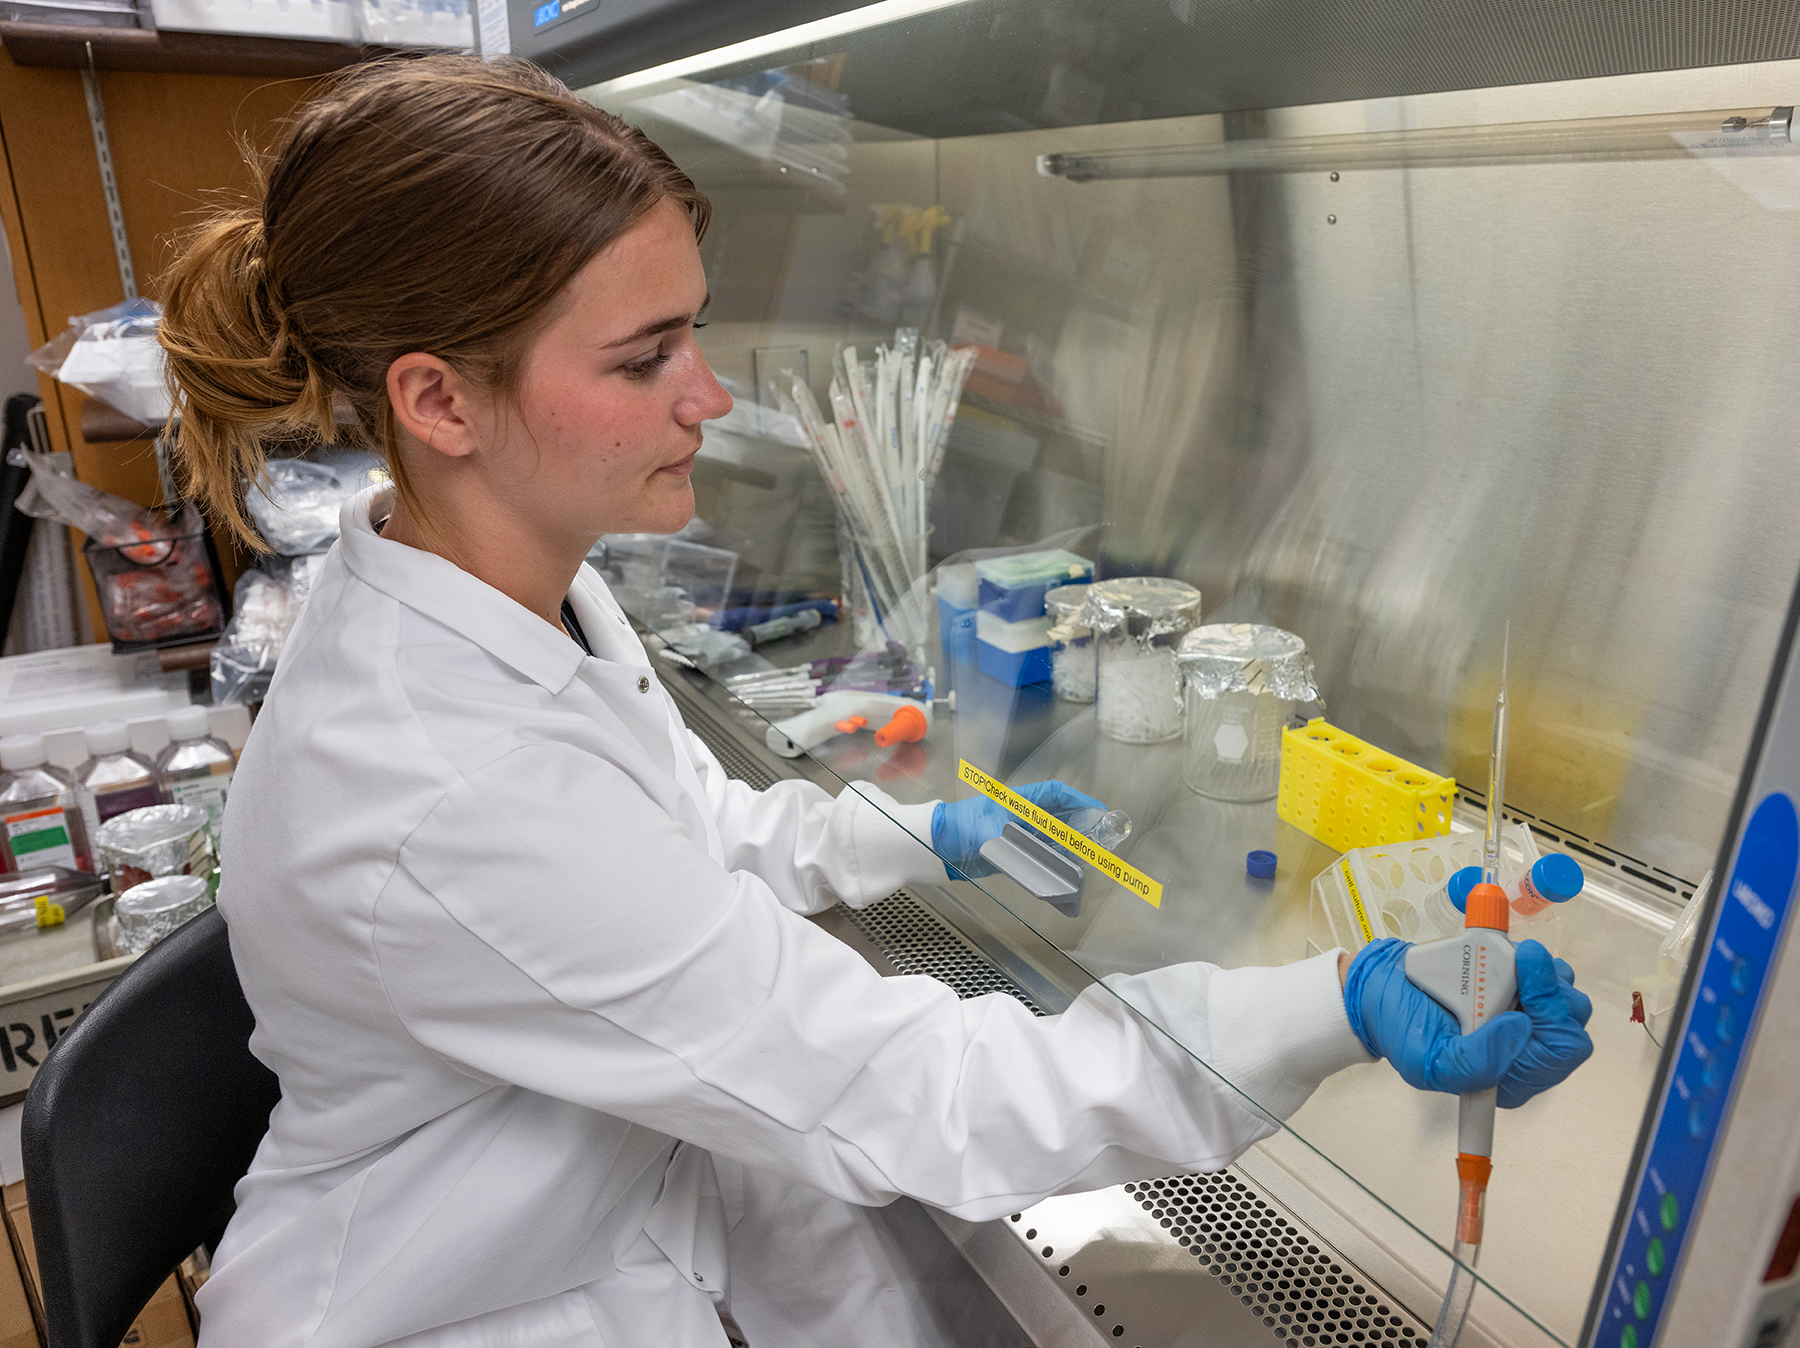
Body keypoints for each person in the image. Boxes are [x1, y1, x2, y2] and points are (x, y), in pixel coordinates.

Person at [158, 54, 1593, 1348]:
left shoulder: (502, 586)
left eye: (694, 334)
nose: (709, 396)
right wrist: (1321, 1005)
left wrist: (910, 837)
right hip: (467, 1303)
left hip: (601, 1216)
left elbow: (675, 833)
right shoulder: (442, 780)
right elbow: (913, 1092)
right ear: (441, 403)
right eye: (643, 356)